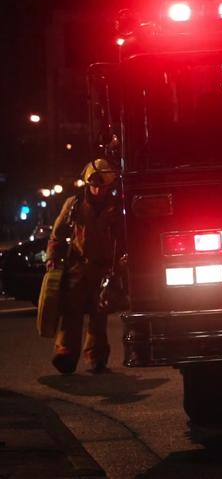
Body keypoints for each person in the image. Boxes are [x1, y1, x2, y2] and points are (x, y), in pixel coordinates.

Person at [45, 159, 121, 374]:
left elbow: (124, 238)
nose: (97, 189)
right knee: (71, 313)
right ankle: (65, 354)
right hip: (78, 266)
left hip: (104, 269)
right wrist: (52, 256)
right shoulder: (74, 204)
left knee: (99, 316)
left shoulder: (116, 208)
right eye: (94, 184)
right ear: (88, 183)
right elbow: (58, 233)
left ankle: (96, 357)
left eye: (102, 185)